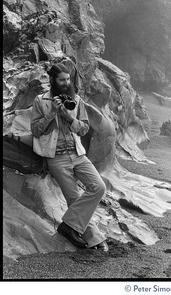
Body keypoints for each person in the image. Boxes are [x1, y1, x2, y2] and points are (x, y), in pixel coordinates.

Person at [31, 63, 108, 251]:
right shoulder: (40, 101)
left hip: (78, 154)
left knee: (98, 187)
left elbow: (84, 128)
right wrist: (52, 113)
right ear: (52, 81)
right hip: (56, 158)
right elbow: (35, 130)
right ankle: (95, 239)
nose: (66, 83)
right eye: (62, 80)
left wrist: (69, 117)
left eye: (68, 79)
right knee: (74, 199)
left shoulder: (77, 100)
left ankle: (67, 226)